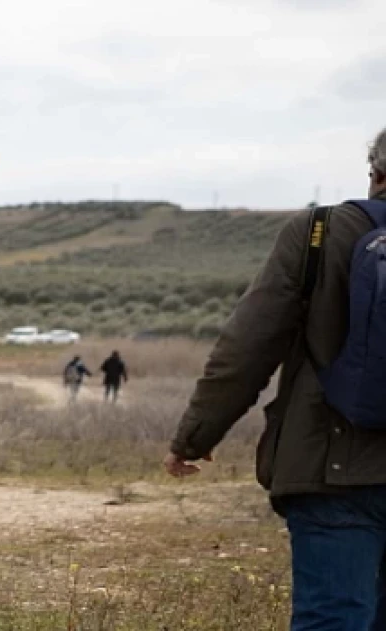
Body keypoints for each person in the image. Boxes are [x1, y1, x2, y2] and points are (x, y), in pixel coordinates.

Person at [167, 128, 386, 630]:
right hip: (335, 474)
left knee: (333, 617)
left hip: (332, 471)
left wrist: (194, 438)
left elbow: (247, 348)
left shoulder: (319, 234)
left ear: (376, 173)